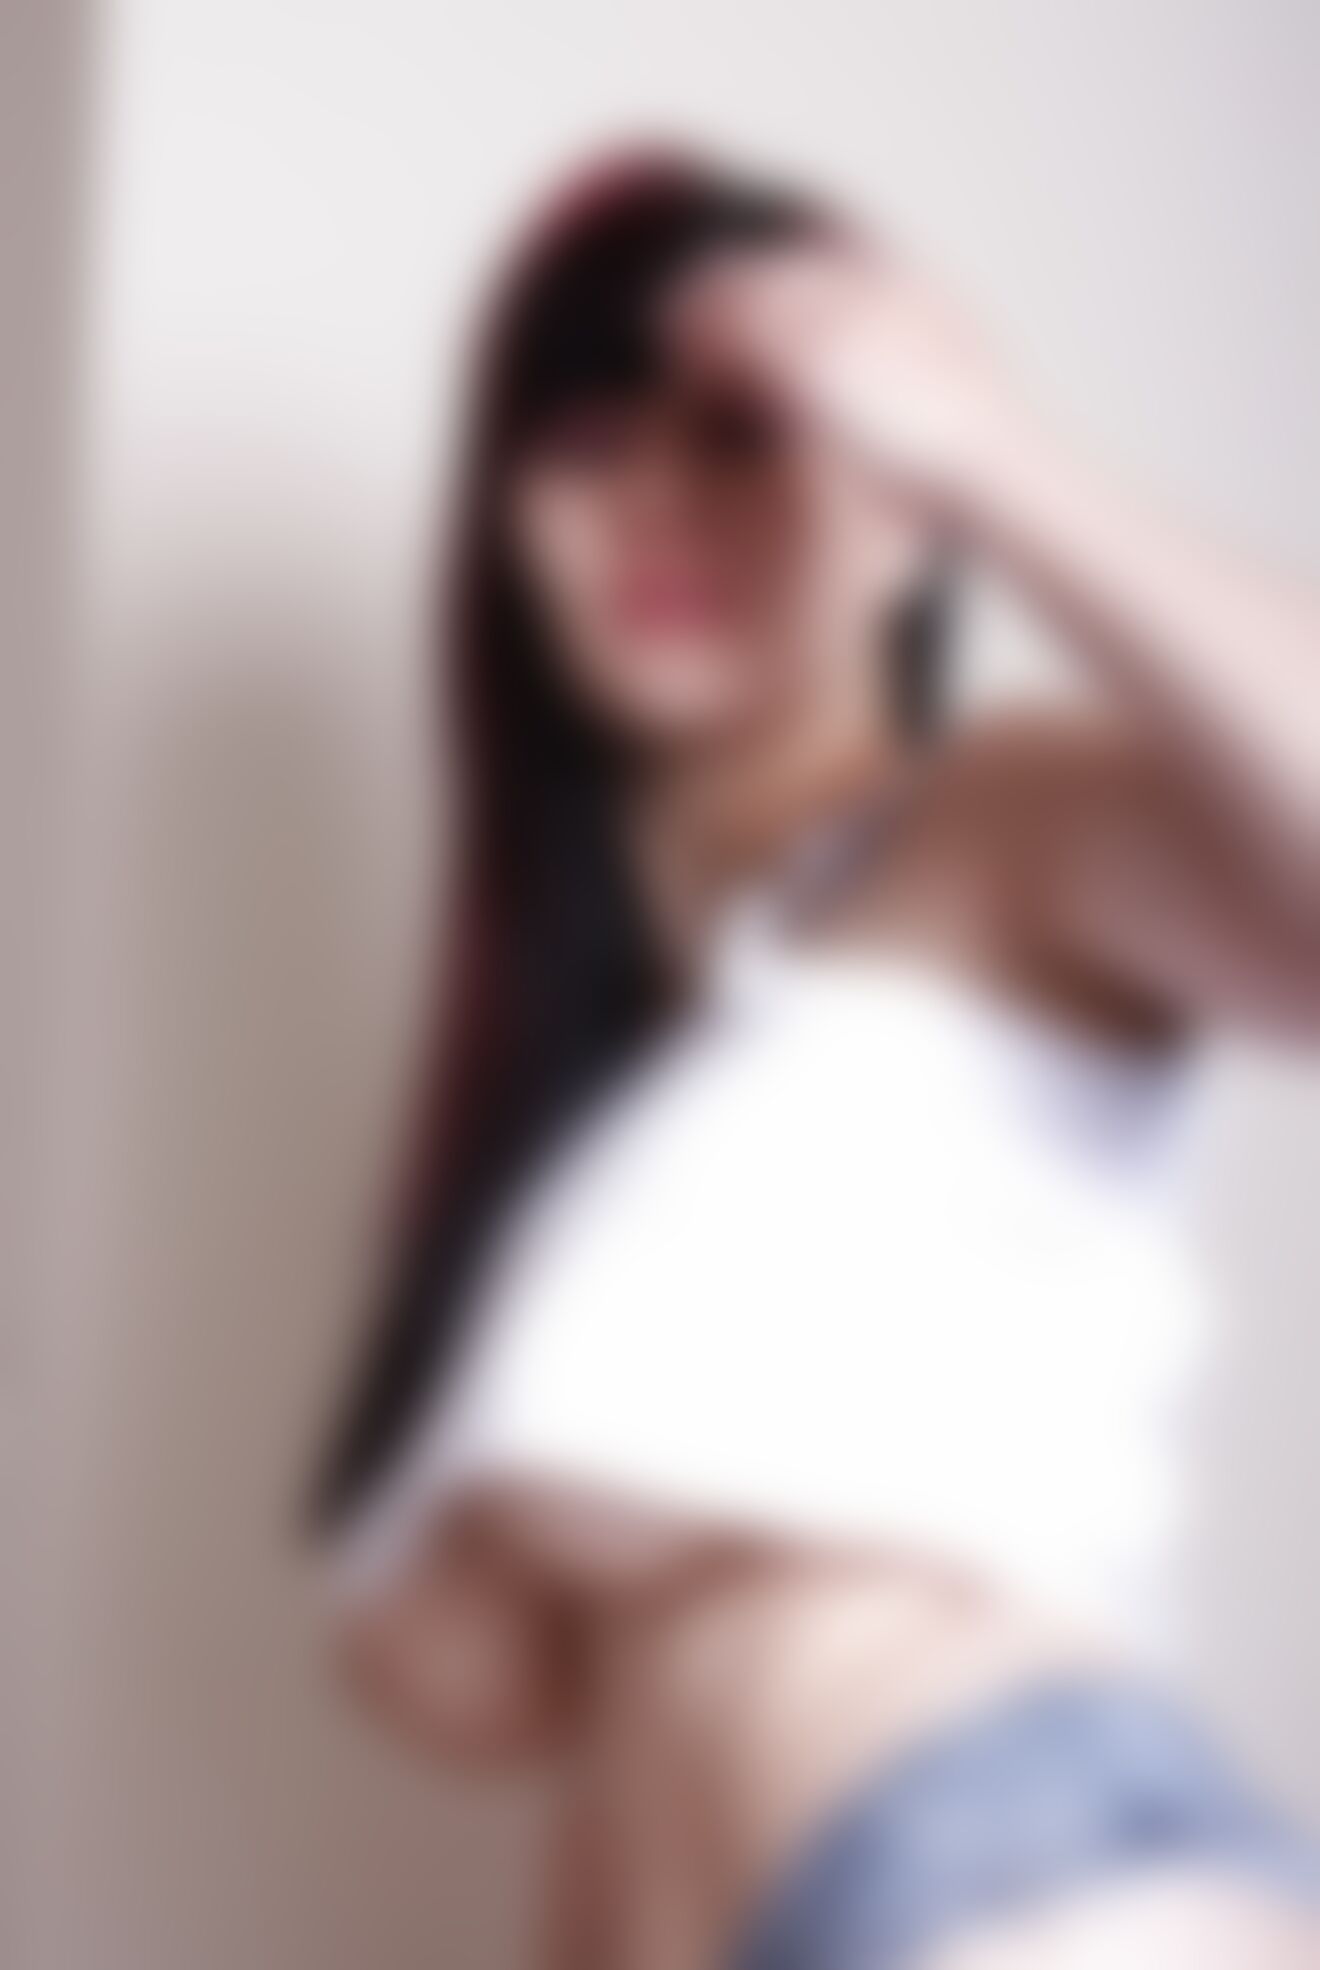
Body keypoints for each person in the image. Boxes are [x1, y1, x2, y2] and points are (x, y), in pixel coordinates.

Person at [309, 148, 1320, 1969]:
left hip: (1006, 1859)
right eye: (586, 438)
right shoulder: (629, 1111)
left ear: (899, 517)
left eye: (740, 433)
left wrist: (989, 450)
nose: (654, 499)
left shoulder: (986, 825)